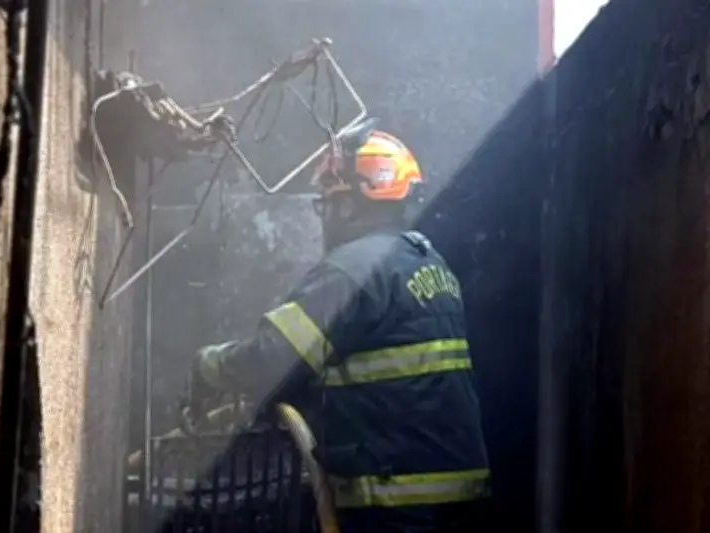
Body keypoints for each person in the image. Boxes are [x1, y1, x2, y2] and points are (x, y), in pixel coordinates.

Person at [189, 118, 491, 533]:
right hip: (457, 500)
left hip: (393, 505)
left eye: (328, 202)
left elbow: (273, 359)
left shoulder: (351, 271)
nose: (325, 215)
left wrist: (209, 366)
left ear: (352, 203)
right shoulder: (428, 263)